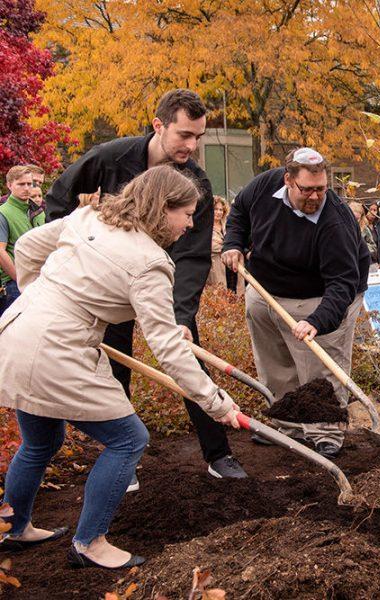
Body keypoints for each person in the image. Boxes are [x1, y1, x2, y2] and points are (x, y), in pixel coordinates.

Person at [0, 167, 241, 569]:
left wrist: (38, 295)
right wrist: (216, 403)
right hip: (57, 351)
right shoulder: (150, 262)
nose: (192, 223)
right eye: (186, 213)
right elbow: (166, 348)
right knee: (128, 439)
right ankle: (90, 543)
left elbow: (26, 248)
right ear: (162, 209)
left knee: (41, 442)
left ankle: (15, 527)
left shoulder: (89, 216)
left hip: (16, 331)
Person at [44, 89, 245, 482]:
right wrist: (72, 262)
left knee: (191, 357)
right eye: (184, 135)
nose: (191, 145)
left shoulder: (196, 183)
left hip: (158, 283)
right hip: (110, 285)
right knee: (115, 368)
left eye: (198, 137)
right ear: (159, 125)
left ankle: (218, 453)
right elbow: (59, 199)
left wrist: (182, 314)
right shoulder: (109, 158)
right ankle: (123, 460)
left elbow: (191, 256)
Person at [222, 148, 369, 459]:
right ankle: (287, 425)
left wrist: (317, 320)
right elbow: (239, 213)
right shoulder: (264, 186)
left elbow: (342, 285)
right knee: (274, 364)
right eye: (307, 190)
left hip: (320, 297)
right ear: (287, 179)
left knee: (320, 370)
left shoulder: (336, 222)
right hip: (265, 290)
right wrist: (234, 243)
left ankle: (324, 430)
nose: (315, 197)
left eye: (321, 189)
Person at [1, 166, 45, 317]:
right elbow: (0, 252)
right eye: (21, 184)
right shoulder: (3, 213)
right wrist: (20, 280)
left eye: (29, 183)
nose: (27, 188)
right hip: (13, 284)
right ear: (9, 185)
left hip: (38, 281)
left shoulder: (38, 211)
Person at [206, 195, 229, 287]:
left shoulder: (227, 225)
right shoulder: (206, 227)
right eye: (216, 209)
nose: (219, 212)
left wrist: (221, 243)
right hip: (215, 267)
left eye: (221, 210)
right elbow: (211, 246)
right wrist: (228, 245)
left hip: (230, 267)